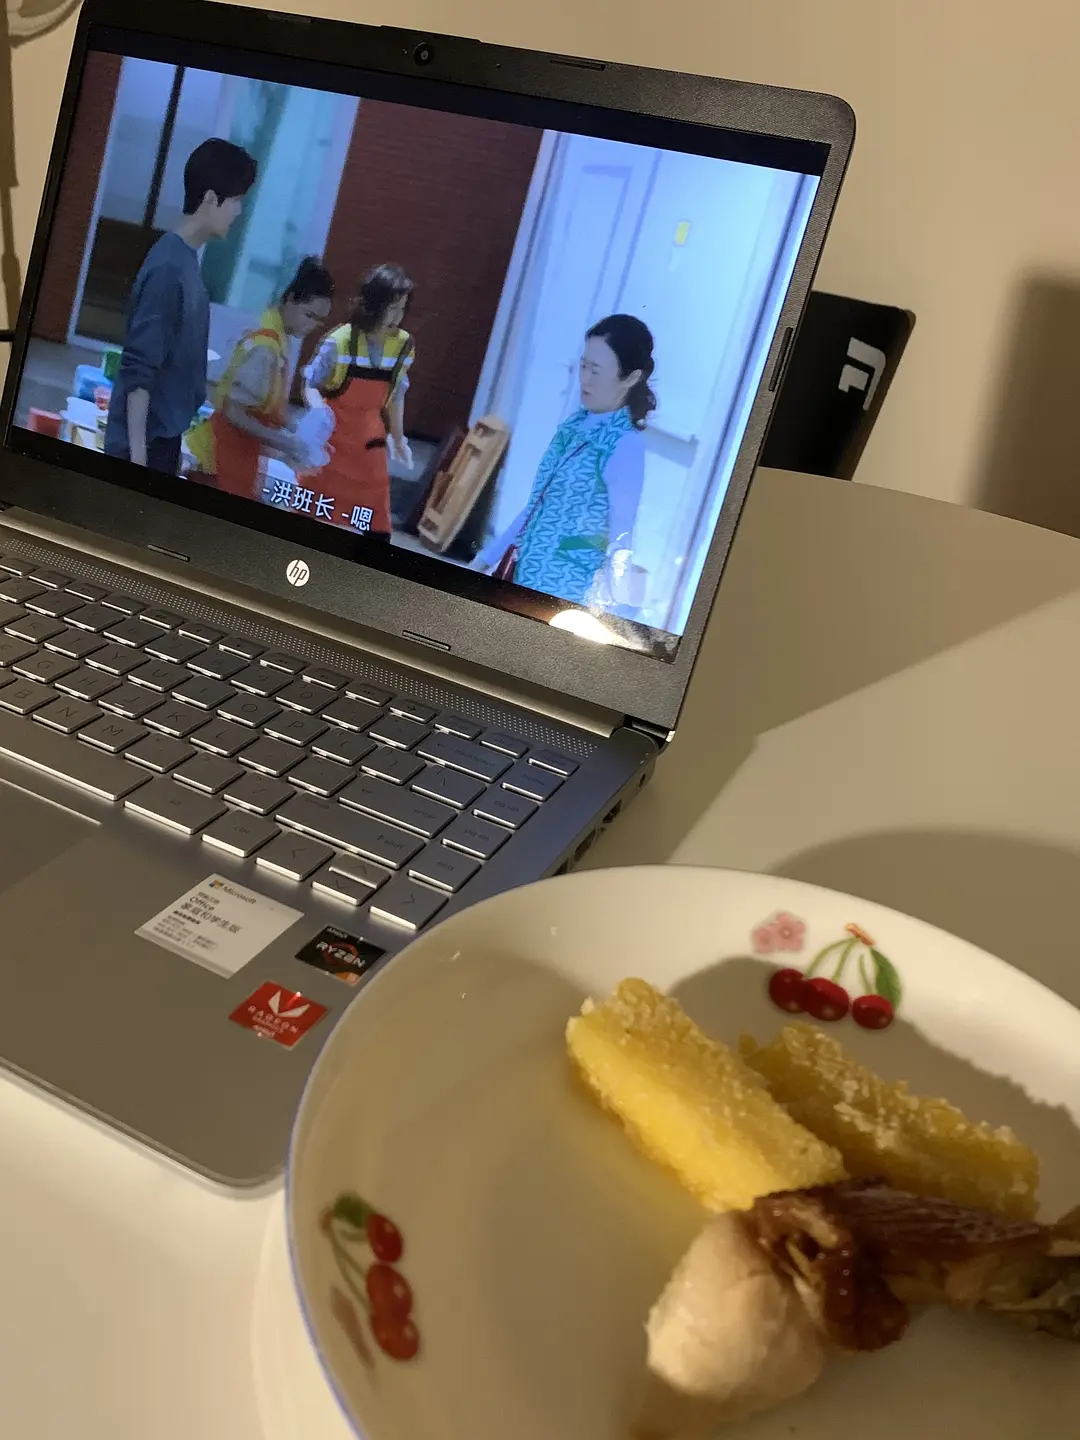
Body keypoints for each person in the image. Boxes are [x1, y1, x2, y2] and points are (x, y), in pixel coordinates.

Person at [475, 314, 655, 611]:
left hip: (568, 588)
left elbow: (622, 534)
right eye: (583, 366)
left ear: (631, 378)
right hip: (526, 572)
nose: (585, 378)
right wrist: (486, 558)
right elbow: (537, 505)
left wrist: (615, 606)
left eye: (596, 370)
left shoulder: (625, 444)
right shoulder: (573, 426)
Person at [104, 138, 258, 475]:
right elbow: (138, 372)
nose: (238, 211)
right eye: (235, 200)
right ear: (210, 199)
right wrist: (139, 460)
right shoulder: (169, 268)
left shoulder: (184, 260)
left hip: (163, 442)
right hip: (144, 449)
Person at [185, 257, 335, 500]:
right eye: (309, 315)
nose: (313, 326)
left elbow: (263, 408)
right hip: (216, 456)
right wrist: (288, 444)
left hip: (237, 455)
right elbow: (234, 413)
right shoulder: (266, 347)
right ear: (290, 300)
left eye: (319, 320)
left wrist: (301, 432)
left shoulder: (278, 338)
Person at [306, 263, 416, 540]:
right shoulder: (340, 341)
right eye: (392, 307)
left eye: (402, 308)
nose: (397, 316)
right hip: (331, 440)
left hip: (370, 445)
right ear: (374, 303)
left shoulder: (403, 346)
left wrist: (399, 439)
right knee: (309, 510)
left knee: (378, 527)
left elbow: (397, 395)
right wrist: (317, 412)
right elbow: (311, 384)